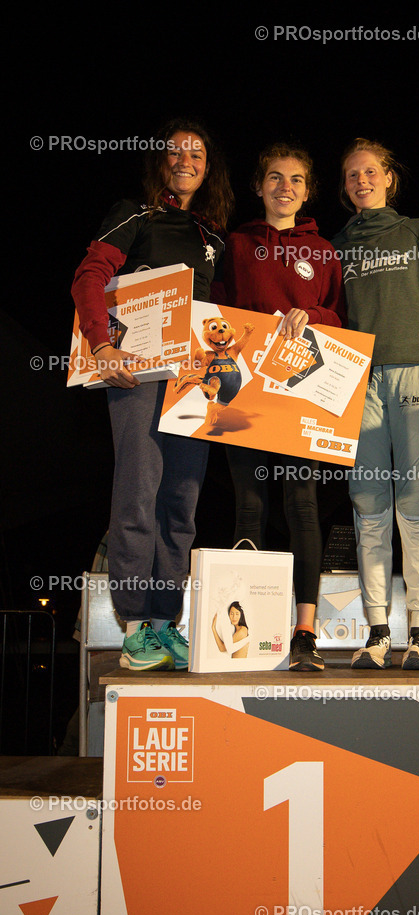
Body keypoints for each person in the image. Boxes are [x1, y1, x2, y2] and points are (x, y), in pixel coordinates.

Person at [71, 119, 232, 671]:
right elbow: (89, 276)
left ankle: (165, 624)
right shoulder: (134, 213)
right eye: (176, 152)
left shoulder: (213, 236)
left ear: (208, 168)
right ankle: (134, 625)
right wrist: (100, 344)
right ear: (160, 161)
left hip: (193, 379)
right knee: (138, 494)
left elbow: (227, 318)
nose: (186, 160)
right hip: (137, 375)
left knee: (182, 502)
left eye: (198, 154)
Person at [332, 138, 419, 671]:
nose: (361, 181)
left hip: (418, 376)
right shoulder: (337, 245)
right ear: (344, 188)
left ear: (390, 177)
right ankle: (375, 632)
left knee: (417, 510)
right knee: (369, 509)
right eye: (351, 176)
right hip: (359, 382)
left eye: (370, 172)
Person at [218, 143, 346, 671]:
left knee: (302, 507)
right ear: (259, 186)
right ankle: (243, 622)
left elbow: (343, 320)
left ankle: (304, 634)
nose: (284, 187)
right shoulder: (238, 243)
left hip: (301, 389)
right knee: (248, 505)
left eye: (295, 179)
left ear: (307, 191)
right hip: (246, 391)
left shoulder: (324, 251)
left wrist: (312, 315)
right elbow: (215, 312)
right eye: (274, 177)